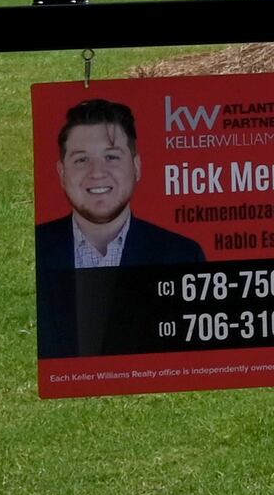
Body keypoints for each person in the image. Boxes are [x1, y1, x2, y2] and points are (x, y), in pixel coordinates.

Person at [34, 96, 205, 358]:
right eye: (81, 160)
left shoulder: (182, 255)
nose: (97, 173)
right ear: (61, 173)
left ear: (136, 167)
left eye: (112, 156)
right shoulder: (36, 251)